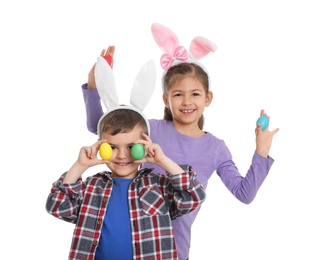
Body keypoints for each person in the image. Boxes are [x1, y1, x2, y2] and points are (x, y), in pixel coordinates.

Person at [81, 23, 279, 260]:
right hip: (131, 245)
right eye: (178, 94)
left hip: (173, 251)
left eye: (195, 94)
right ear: (166, 99)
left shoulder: (216, 148)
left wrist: (261, 151)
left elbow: (244, 193)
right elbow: (101, 128)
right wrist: (93, 87)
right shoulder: (151, 128)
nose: (186, 102)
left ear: (208, 98)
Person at [46, 107, 206, 260]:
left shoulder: (158, 186)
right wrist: (80, 166)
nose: (122, 155)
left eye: (131, 147)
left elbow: (193, 196)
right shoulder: (92, 187)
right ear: (100, 147)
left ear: (145, 146)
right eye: (112, 147)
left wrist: (162, 160)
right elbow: (58, 206)